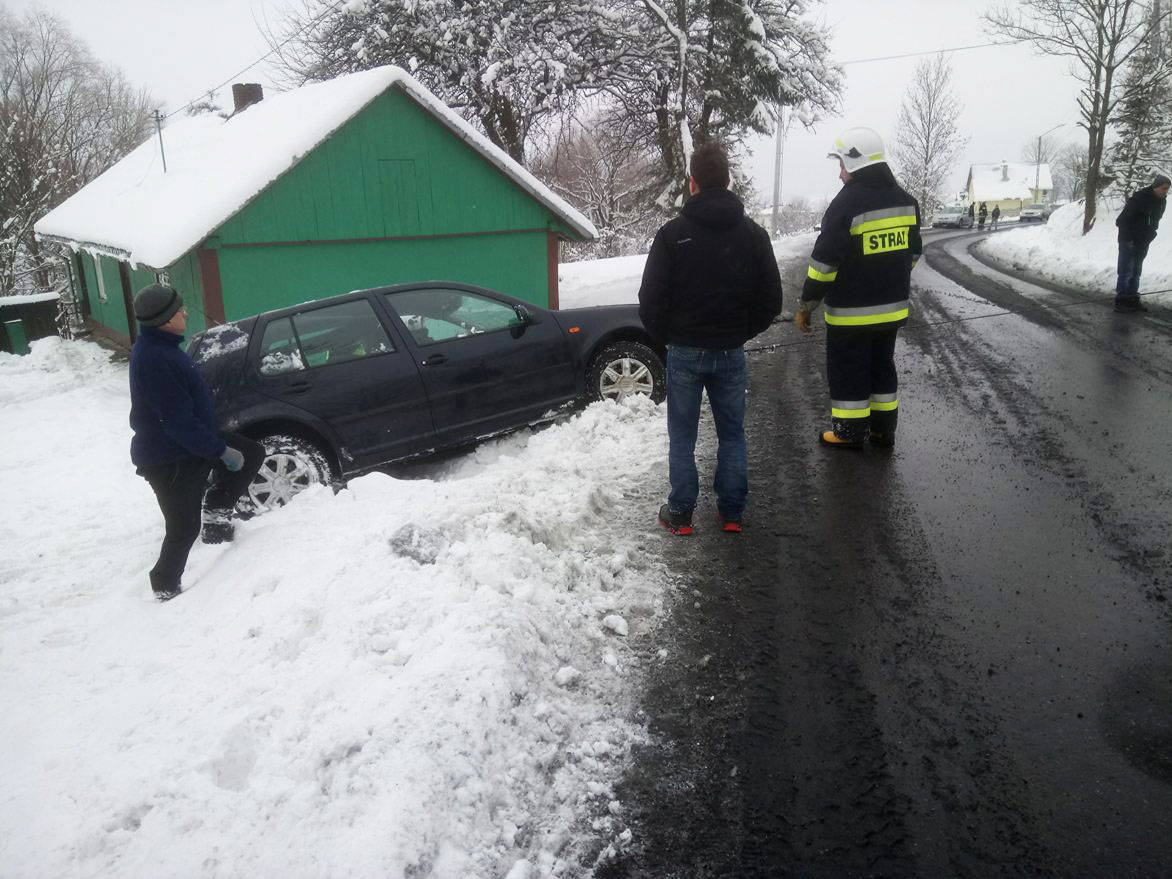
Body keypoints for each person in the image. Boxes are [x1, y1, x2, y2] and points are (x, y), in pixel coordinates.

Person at [638, 142, 783, 535]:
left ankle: (681, 514)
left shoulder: (672, 235)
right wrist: (740, 331)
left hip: (685, 352)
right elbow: (771, 299)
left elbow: (650, 300)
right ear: (729, 180)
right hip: (730, 352)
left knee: (682, 436)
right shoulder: (754, 235)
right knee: (732, 433)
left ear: (693, 183)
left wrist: (669, 336)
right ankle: (732, 513)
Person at [129, 284, 265, 600]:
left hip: (189, 443)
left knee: (251, 453)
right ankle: (165, 586)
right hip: (169, 459)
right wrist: (219, 451)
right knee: (183, 528)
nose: (186, 313)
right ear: (165, 319)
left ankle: (216, 516)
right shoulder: (155, 359)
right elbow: (176, 422)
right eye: (180, 310)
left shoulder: (163, 348)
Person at [795, 126, 921, 449]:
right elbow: (913, 253)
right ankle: (883, 430)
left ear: (855, 161)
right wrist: (887, 277)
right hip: (891, 312)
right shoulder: (906, 201)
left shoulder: (846, 204)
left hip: (851, 315)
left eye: (841, 165)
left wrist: (807, 304)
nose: (839, 174)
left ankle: (849, 433)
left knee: (848, 370)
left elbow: (824, 264)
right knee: (882, 367)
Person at [1114, 174, 1169, 313]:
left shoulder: (1162, 202)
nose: (1166, 191)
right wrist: (1129, 239)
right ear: (1156, 187)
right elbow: (1121, 221)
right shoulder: (1139, 198)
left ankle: (1132, 299)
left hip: (1143, 242)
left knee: (1136, 271)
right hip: (1129, 241)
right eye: (1163, 188)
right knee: (1126, 271)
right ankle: (1121, 301)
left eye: (1168, 189)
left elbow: (1155, 222)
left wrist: (1151, 235)